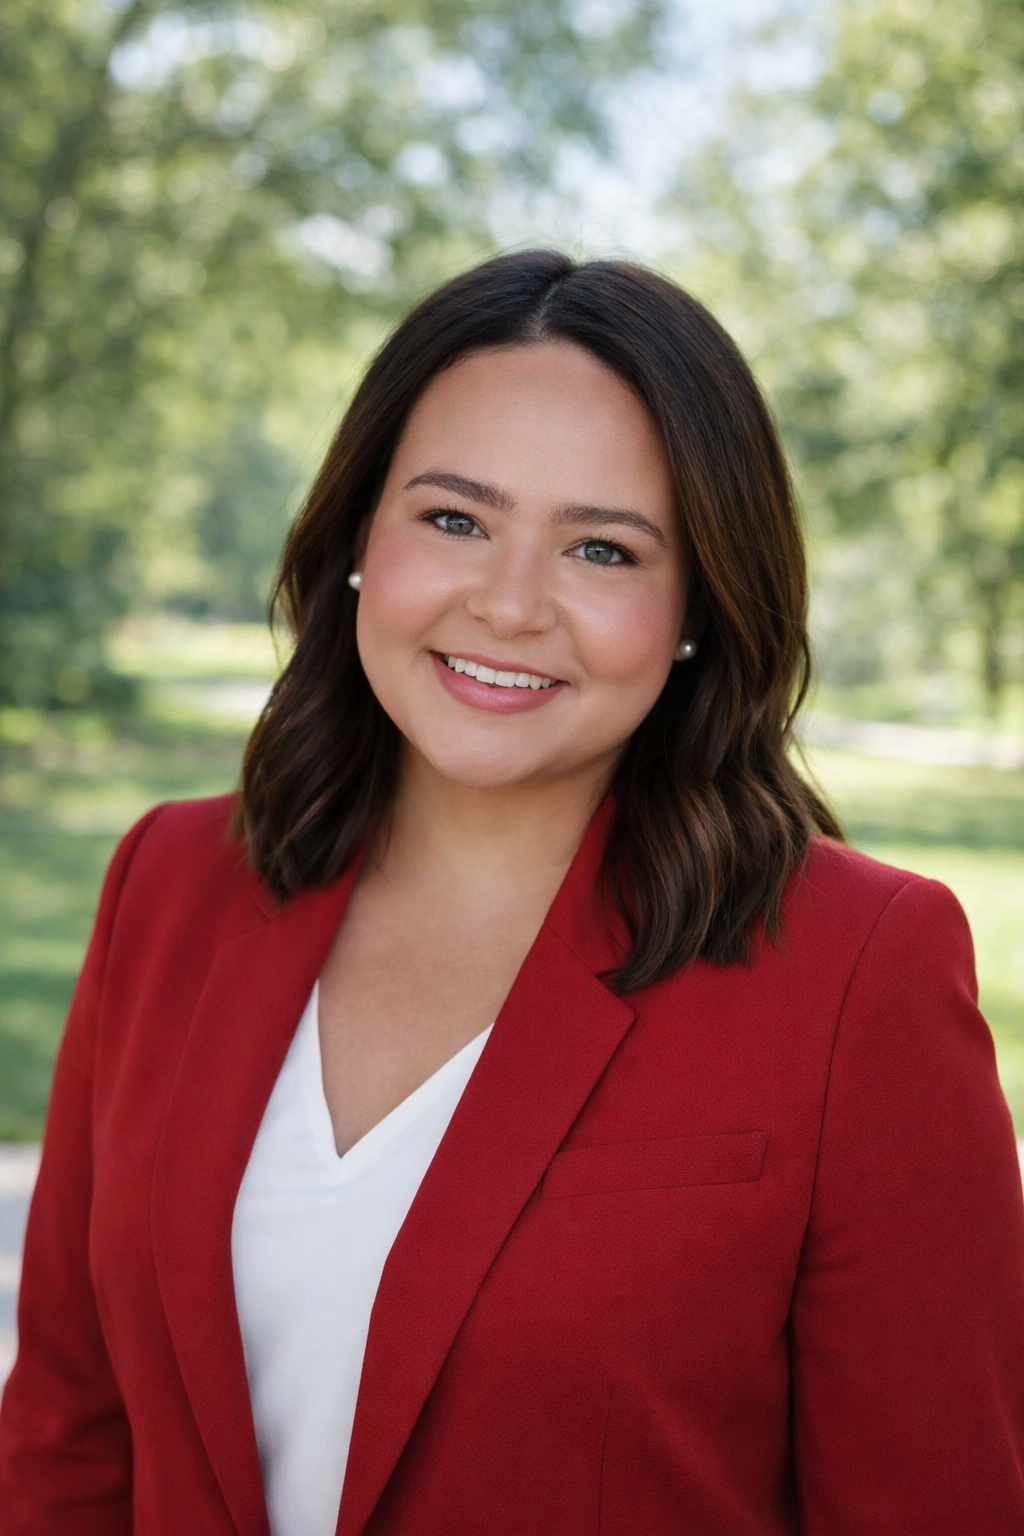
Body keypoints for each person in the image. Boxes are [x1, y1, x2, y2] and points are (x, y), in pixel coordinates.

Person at [1, 248, 1022, 1536]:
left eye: (601, 549)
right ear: (359, 535)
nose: (510, 603)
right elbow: (65, 1437)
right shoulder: (169, 886)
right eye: (453, 519)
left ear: (699, 606)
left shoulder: (858, 968)